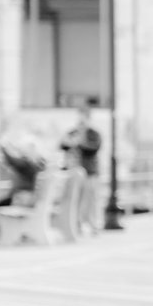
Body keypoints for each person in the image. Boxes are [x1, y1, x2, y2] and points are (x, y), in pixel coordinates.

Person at [59, 100, 102, 235]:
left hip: (89, 172)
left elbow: (94, 148)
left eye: (84, 116)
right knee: (76, 199)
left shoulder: (94, 134)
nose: (81, 119)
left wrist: (78, 143)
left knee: (91, 200)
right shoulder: (72, 132)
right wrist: (70, 141)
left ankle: (93, 225)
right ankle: (76, 225)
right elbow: (63, 145)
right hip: (74, 171)